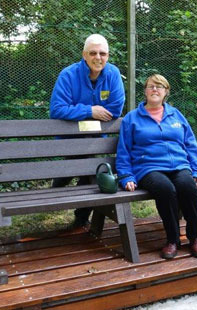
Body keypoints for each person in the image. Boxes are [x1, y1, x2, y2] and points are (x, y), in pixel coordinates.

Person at [116, 74, 197, 259]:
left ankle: (196, 237)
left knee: (188, 186)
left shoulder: (176, 115)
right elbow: (123, 151)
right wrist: (126, 176)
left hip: (179, 165)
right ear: (145, 91)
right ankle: (173, 239)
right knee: (165, 188)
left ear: (166, 92)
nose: (155, 90)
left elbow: (191, 145)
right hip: (148, 168)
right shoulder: (132, 119)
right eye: (151, 86)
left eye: (159, 86)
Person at [50, 34, 125, 228]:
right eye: (93, 53)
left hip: (96, 137)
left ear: (108, 56)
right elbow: (57, 109)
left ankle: (74, 207)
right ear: (84, 55)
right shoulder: (68, 75)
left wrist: (76, 111)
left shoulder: (113, 74)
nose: (98, 57)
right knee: (90, 165)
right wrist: (91, 110)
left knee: (90, 165)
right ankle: (77, 211)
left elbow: (115, 109)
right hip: (70, 136)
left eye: (103, 53)